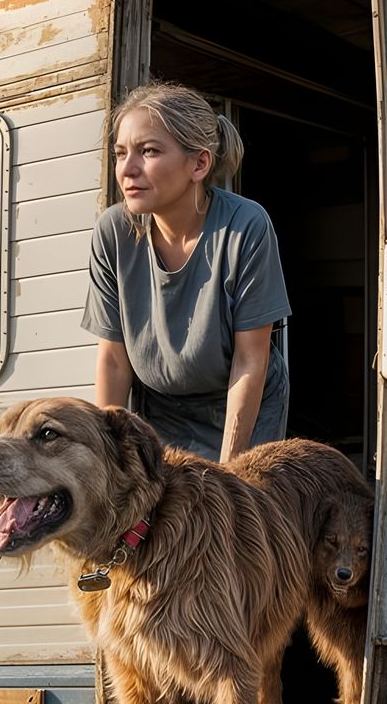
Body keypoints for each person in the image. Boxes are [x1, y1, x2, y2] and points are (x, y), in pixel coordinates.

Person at [83, 82, 290, 461]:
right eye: (120, 153)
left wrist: (232, 469)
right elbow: (113, 358)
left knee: (231, 512)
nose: (128, 169)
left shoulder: (245, 227)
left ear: (199, 164)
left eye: (149, 151)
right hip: (158, 411)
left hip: (240, 404)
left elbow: (250, 359)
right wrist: (106, 459)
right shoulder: (113, 232)